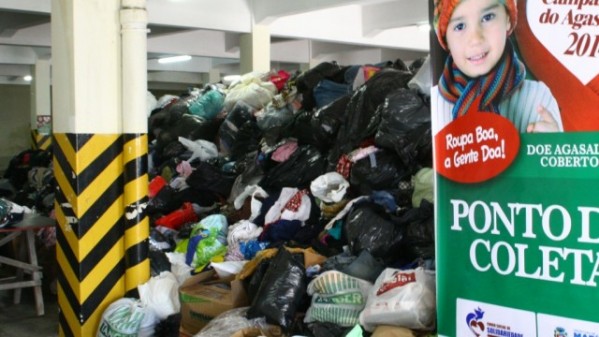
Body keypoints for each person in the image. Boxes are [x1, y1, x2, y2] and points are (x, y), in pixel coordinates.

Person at [431, 0, 563, 134]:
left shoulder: (538, 97)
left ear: (507, 20)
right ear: (445, 37)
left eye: (487, 17)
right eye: (459, 26)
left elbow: (556, 150)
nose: (475, 39)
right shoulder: (432, 104)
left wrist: (552, 146)